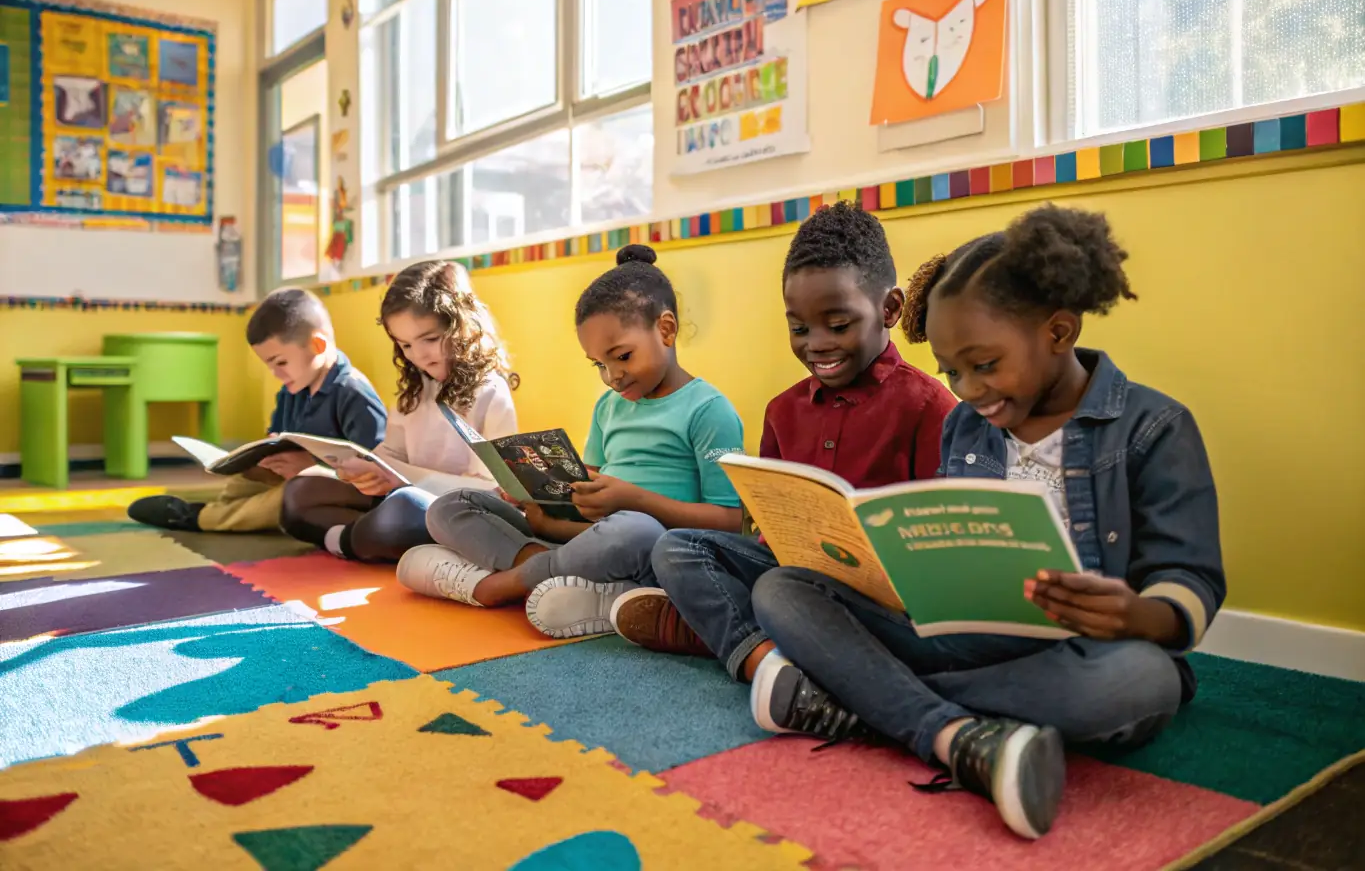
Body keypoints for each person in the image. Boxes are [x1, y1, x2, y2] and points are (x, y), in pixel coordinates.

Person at [748, 205, 1225, 841]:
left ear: (1057, 331)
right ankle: (950, 727)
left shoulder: (1154, 427)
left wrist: (1139, 615)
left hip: (1092, 650)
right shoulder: (966, 426)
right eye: (951, 371)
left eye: (985, 365)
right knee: (782, 587)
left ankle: (868, 701)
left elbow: (1189, 573)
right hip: (971, 637)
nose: (968, 389)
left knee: (1144, 684)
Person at [611, 201, 956, 684]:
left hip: (877, 598)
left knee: (779, 589)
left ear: (890, 309)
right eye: (799, 328)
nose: (816, 343)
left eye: (838, 326)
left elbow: (941, 545)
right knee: (675, 549)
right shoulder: (782, 411)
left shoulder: (930, 406)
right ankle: (764, 654)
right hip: (787, 570)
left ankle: (726, 633)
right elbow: (762, 524)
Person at [395, 244, 745, 638]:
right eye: (599, 364)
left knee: (635, 528)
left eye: (623, 356)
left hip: (648, 547)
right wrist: (538, 496)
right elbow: (591, 477)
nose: (612, 376)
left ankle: (506, 583)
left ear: (665, 329)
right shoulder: (609, 406)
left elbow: (733, 523)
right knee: (451, 506)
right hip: (586, 534)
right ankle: (551, 567)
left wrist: (634, 499)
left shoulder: (708, 410)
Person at [278, 260, 518, 561]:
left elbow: (492, 491)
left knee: (401, 510)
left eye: (429, 339)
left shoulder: (491, 392)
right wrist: (362, 470)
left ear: (462, 326)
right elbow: (390, 456)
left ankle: (346, 540)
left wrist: (399, 478)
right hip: (399, 497)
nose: (419, 356)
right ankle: (353, 539)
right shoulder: (417, 390)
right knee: (299, 493)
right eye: (405, 345)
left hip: (456, 513)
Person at [128, 288, 387, 533]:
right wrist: (264, 454)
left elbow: (375, 474)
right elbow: (281, 438)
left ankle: (200, 517)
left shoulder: (354, 393)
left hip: (339, 489)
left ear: (318, 346)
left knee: (287, 496)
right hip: (296, 475)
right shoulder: (293, 388)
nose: (275, 373)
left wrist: (312, 467)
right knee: (248, 474)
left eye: (281, 362)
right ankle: (230, 511)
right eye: (269, 365)